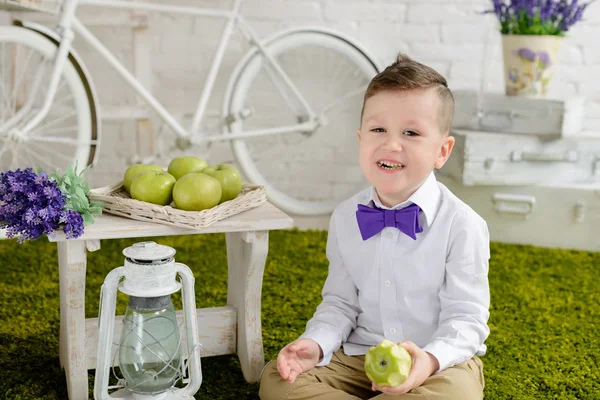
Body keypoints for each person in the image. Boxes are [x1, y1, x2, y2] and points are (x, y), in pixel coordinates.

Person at [259, 53, 490, 400]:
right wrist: (316, 344)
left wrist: (427, 361)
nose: (391, 144)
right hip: (360, 355)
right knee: (277, 381)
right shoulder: (345, 217)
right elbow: (339, 303)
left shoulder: (462, 224)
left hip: (436, 363)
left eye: (411, 132)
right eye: (378, 129)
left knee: (458, 393)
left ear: (442, 151)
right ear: (361, 137)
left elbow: (466, 319)